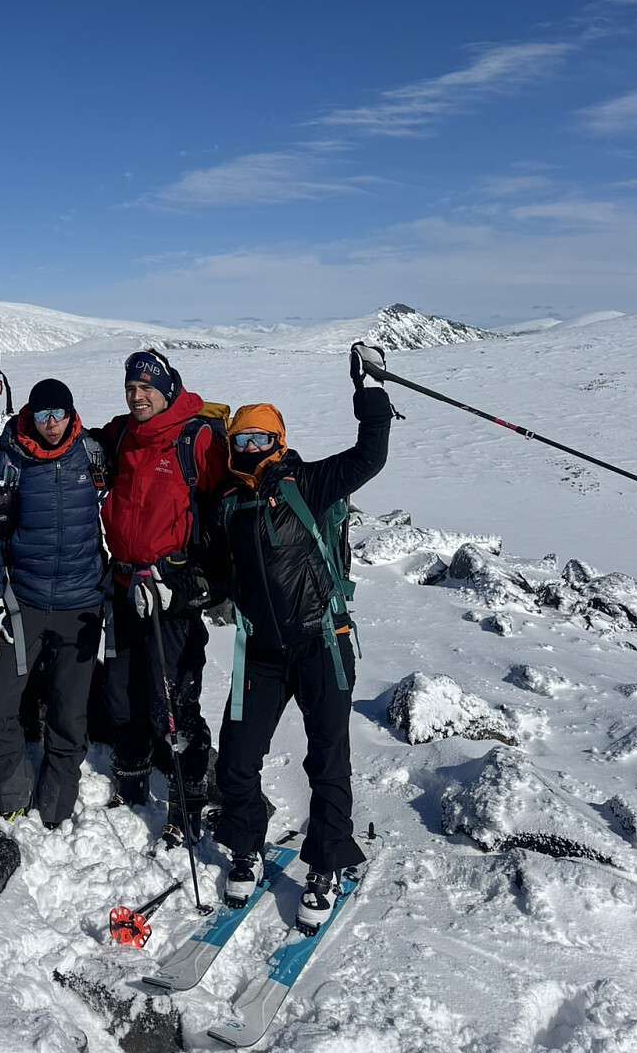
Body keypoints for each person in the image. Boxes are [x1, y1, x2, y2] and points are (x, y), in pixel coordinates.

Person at [211, 342, 393, 926]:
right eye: (241, 439)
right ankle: (246, 848)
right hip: (260, 652)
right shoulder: (227, 504)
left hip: (322, 643)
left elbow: (369, 455)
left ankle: (326, 863)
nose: (250, 447)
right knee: (237, 758)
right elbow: (214, 572)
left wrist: (370, 393)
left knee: (327, 760)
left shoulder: (309, 482)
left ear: (279, 440)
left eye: (260, 438)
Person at [93, 349, 228, 845]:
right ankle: (131, 782)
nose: (137, 395)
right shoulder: (122, 434)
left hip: (171, 593)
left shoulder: (197, 439)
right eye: (131, 387)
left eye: (147, 387)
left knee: (173, 703)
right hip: (124, 586)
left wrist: (193, 586)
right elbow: (73, 437)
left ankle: (188, 802)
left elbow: (225, 514)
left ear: (167, 390)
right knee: (122, 695)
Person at [0, 378, 108, 826]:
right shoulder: (7, 461)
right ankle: (13, 787)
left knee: (69, 714)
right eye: (43, 415)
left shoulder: (92, 454)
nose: (51, 424)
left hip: (82, 605)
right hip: (22, 602)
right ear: (30, 414)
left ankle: (55, 803)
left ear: (71, 414)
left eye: (59, 414)